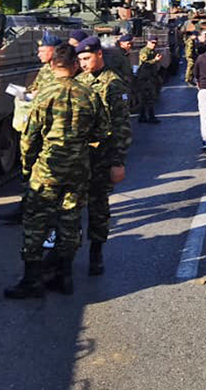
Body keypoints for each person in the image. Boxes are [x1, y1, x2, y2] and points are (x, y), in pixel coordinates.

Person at [5, 44, 107, 299]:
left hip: (48, 167)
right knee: (70, 221)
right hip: (78, 167)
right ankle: (65, 276)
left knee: (35, 222)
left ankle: (32, 280)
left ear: (52, 66)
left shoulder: (43, 95)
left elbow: (29, 137)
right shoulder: (89, 94)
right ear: (74, 65)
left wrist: (28, 167)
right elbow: (102, 131)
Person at [75, 37, 130, 276]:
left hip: (101, 156)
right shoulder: (78, 81)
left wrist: (117, 162)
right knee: (71, 208)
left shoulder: (113, 84)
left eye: (87, 58)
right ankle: (65, 255)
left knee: (98, 208)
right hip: (78, 156)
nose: (83, 63)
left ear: (99, 54)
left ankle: (96, 254)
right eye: (80, 59)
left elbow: (121, 127)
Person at [0, 32, 61, 226]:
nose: (39, 54)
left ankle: (47, 213)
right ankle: (26, 207)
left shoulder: (63, 71)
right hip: (34, 128)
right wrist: (25, 94)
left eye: (42, 50)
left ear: (55, 51)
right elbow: (34, 89)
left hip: (51, 131)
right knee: (29, 170)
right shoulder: (45, 70)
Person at [136, 37, 163, 124]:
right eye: (152, 43)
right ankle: (150, 117)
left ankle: (143, 116)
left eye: (155, 43)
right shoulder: (144, 51)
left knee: (147, 98)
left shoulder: (153, 51)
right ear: (148, 42)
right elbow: (145, 62)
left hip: (150, 77)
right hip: (144, 78)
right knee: (148, 98)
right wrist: (155, 60)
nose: (153, 45)